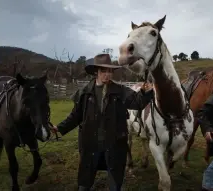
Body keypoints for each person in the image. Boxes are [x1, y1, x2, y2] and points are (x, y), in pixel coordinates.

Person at [52, 53, 154, 191]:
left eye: (110, 71)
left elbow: (137, 102)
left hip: (114, 144)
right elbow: (75, 116)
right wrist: (59, 128)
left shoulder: (120, 91)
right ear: (96, 72)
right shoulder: (85, 92)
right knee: (84, 184)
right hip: (90, 144)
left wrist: (147, 92)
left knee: (115, 183)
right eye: (103, 71)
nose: (107, 74)